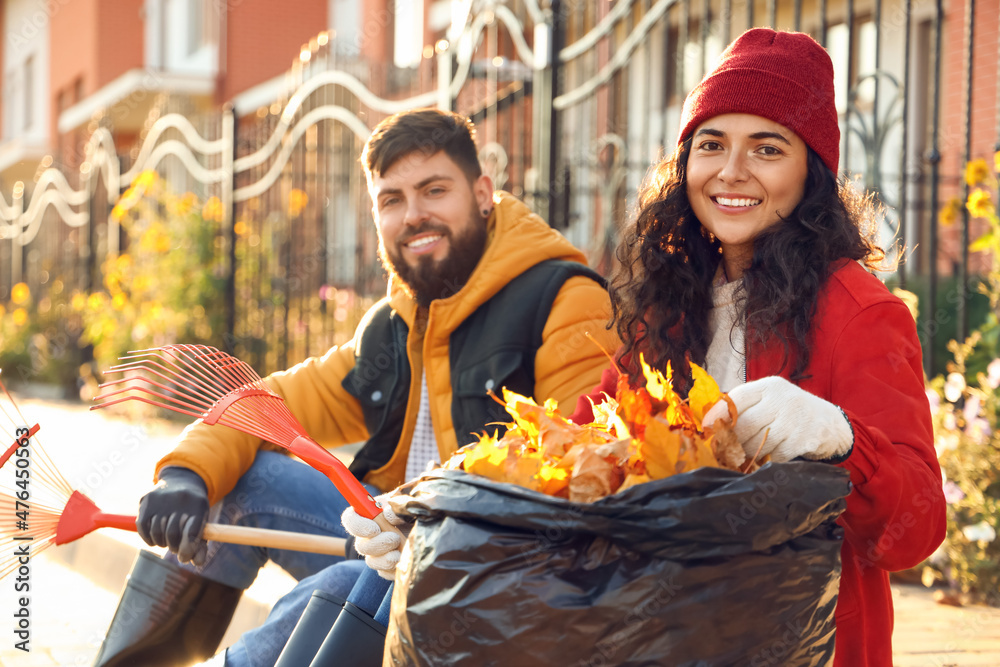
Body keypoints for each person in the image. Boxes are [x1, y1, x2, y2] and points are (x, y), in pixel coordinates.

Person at [94, 108, 620, 667]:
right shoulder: (395, 327)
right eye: (391, 200)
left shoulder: (564, 301)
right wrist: (185, 473)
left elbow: (576, 482)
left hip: (501, 577)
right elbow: (269, 404)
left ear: (484, 192)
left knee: (345, 586)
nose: (414, 215)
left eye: (434, 190)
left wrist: (420, 522)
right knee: (237, 488)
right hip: (390, 548)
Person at [559, 28, 945, 667]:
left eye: (767, 148)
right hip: (663, 632)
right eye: (711, 144)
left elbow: (917, 529)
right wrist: (440, 513)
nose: (731, 172)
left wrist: (841, 439)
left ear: (809, 171)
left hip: (804, 643)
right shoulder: (671, 306)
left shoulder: (860, 313)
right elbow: (575, 444)